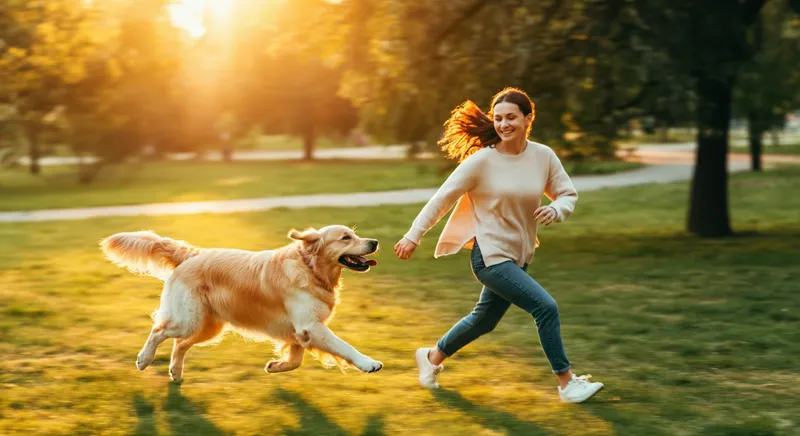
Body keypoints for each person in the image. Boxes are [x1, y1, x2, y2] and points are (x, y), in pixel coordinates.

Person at [393, 87, 604, 403]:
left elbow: (567, 194)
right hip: (490, 256)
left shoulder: (543, 156)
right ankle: (566, 384)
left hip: (520, 254)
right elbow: (442, 199)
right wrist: (413, 235)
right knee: (545, 308)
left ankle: (432, 357)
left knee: (484, 320)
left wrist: (556, 209)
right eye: (498, 118)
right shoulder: (482, 161)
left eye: (511, 117)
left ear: (528, 119)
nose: (504, 124)